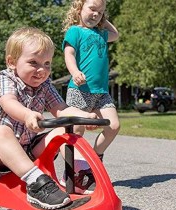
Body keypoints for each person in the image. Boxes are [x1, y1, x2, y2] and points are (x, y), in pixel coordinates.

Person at [0, 27, 97, 210]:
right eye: (33, 62)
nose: (42, 70)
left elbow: (60, 109)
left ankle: (77, 175)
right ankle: (37, 184)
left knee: (71, 126)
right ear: (12, 62)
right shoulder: (5, 78)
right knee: (2, 132)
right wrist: (27, 114)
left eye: (47, 63)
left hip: (27, 150)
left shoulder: (44, 85)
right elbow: (8, 102)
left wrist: (85, 117)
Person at [60, 0, 120, 194]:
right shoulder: (75, 31)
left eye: (100, 12)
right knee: (75, 131)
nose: (96, 14)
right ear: (79, 9)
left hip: (101, 92)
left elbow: (116, 35)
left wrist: (104, 18)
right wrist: (74, 71)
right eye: (92, 9)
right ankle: (71, 172)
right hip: (79, 90)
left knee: (113, 126)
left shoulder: (102, 34)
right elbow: (69, 54)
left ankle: (94, 160)